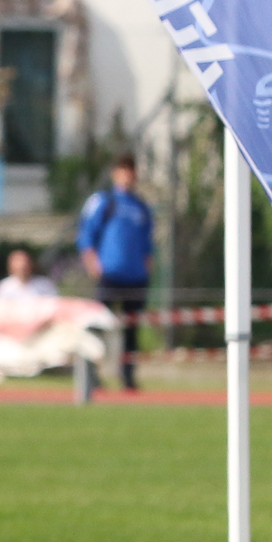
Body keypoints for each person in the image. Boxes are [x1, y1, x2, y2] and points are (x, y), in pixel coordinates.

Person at [77, 154, 155, 392]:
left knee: (131, 330)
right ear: (115, 174)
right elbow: (86, 235)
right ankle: (92, 375)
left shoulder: (141, 207)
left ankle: (128, 377)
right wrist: (92, 263)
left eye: (131, 172)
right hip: (110, 275)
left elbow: (147, 244)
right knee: (99, 326)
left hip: (136, 277)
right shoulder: (103, 201)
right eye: (124, 171)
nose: (128, 176)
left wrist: (147, 268)